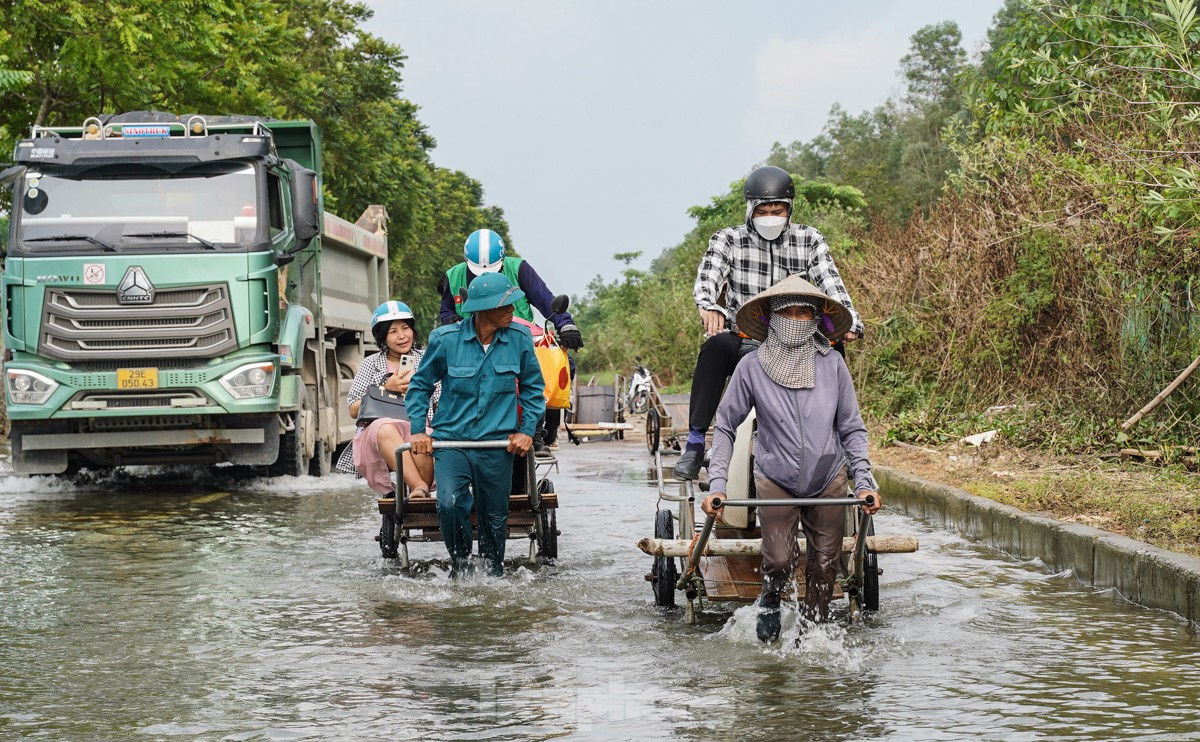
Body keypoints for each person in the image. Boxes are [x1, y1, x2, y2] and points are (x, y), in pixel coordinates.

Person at [699, 275, 881, 643]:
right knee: (780, 560)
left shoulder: (832, 365)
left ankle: (810, 638)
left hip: (828, 475)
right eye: (789, 312)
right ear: (772, 318)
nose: (797, 319)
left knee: (825, 564)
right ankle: (770, 593)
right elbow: (726, 426)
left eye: (805, 313)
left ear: (816, 319)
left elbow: (852, 428)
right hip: (775, 477)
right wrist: (717, 484)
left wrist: (864, 481)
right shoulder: (752, 367)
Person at [674, 165, 865, 481]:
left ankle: (842, 445)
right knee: (715, 346)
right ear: (750, 210)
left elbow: (833, 286)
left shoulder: (809, 240)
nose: (770, 216)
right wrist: (709, 307)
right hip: (746, 337)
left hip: (798, 340)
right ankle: (695, 443)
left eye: (778, 210)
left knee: (834, 354)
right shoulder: (729, 239)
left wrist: (851, 322)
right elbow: (708, 276)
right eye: (763, 210)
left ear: (789, 209)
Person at [408, 271, 547, 577]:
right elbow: (420, 386)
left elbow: (535, 390)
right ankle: (461, 568)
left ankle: (493, 572)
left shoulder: (520, 339)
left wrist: (526, 432)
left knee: (495, 516)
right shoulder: (445, 340)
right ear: (484, 309)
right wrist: (418, 430)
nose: (513, 311)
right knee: (450, 503)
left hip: (496, 444)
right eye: (506, 306)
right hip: (452, 442)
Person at [438, 228, 581, 450]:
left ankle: (543, 430)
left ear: (503, 260)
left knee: (558, 366)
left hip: (519, 340)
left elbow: (545, 299)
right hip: (471, 344)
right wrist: (455, 322)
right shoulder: (452, 276)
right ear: (466, 261)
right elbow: (446, 312)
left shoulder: (519, 269)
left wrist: (567, 325)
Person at [335, 301, 439, 498]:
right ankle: (419, 487)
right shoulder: (371, 363)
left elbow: (442, 400)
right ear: (382, 337)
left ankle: (422, 499)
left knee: (422, 435)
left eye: (405, 328)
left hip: (422, 428)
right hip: (380, 434)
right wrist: (385, 388)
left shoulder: (428, 359)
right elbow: (353, 409)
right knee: (383, 427)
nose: (401, 336)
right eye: (393, 331)